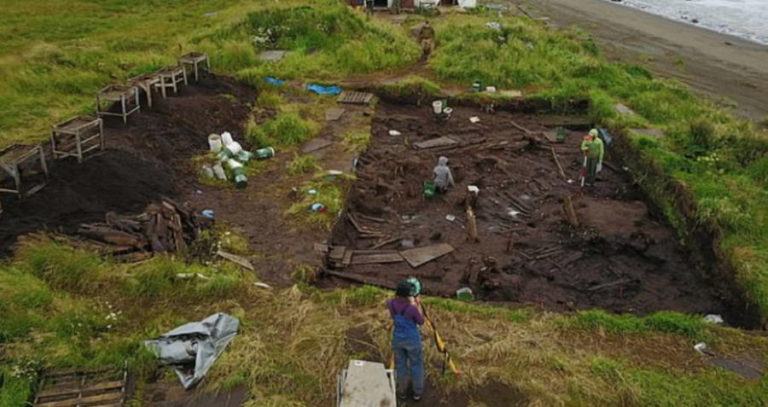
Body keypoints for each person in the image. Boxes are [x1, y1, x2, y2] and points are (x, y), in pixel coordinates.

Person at [387, 279, 425, 401]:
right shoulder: (412, 308)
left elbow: (394, 317)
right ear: (409, 295)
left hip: (398, 339)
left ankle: (402, 391)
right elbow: (421, 321)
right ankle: (417, 393)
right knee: (416, 365)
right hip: (412, 340)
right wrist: (417, 305)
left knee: (401, 365)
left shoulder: (391, 303)